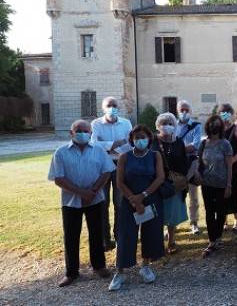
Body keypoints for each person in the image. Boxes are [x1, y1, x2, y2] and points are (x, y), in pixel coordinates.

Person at [48, 119, 115, 287]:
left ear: (91, 133)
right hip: (71, 201)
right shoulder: (61, 152)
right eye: (78, 130)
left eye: (86, 131)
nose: (82, 133)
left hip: (95, 199)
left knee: (97, 234)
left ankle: (99, 266)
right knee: (71, 236)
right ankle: (71, 272)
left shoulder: (99, 151)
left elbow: (107, 172)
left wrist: (92, 192)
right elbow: (58, 178)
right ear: (71, 133)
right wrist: (81, 193)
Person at [109, 125, 165, 291]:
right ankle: (120, 271)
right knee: (126, 234)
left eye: (143, 137)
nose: (140, 140)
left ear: (149, 139)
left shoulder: (155, 156)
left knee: (150, 232)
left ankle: (146, 266)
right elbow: (119, 182)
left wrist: (143, 196)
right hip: (128, 201)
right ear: (132, 140)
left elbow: (160, 177)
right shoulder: (124, 157)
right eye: (136, 138)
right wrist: (134, 199)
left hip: (150, 199)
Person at [90, 96, 132, 251]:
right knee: (103, 202)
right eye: (109, 105)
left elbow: (129, 142)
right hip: (102, 166)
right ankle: (105, 239)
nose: (112, 108)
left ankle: (120, 236)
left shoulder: (126, 123)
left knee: (120, 203)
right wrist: (113, 144)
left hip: (121, 165)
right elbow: (93, 143)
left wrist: (108, 146)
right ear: (103, 108)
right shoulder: (96, 124)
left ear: (118, 107)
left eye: (114, 105)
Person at [153, 112, 190, 254]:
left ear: (174, 126)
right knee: (158, 212)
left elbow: (184, 161)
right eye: (163, 124)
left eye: (170, 124)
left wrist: (182, 178)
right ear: (158, 126)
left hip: (174, 184)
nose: (167, 126)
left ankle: (171, 240)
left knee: (172, 214)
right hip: (157, 183)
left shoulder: (179, 142)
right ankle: (157, 242)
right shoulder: (153, 141)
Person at [198, 114, 234, 257]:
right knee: (208, 212)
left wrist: (229, 185)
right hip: (207, 183)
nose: (215, 126)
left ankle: (218, 237)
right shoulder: (203, 143)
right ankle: (212, 240)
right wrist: (198, 174)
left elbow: (230, 166)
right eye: (212, 123)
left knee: (221, 212)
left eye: (217, 124)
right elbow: (199, 162)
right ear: (208, 126)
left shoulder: (225, 144)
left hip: (221, 184)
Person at [175, 100, 202, 235]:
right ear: (177, 111)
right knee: (176, 196)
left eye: (186, 110)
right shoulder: (172, 125)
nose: (184, 112)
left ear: (190, 111)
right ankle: (173, 224)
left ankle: (194, 223)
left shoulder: (196, 126)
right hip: (175, 166)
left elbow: (196, 145)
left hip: (191, 164)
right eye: (181, 110)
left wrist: (176, 149)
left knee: (193, 196)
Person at [218, 103, 237, 234]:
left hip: (234, 167)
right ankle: (223, 221)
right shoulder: (217, 128)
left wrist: (232, 161)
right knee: (222, 193)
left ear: (231, 113)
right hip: (220, 167)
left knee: (234, 193)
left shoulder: (236, 129)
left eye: (227, 112)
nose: (225, 114)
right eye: (222, 112)